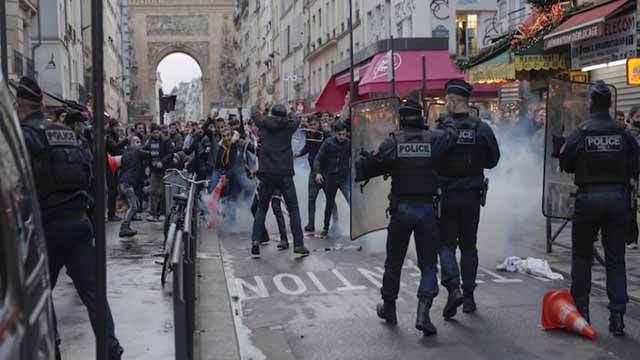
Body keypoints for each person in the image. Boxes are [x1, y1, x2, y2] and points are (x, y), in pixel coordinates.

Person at [16, 77, 124, 359]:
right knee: (93, 294)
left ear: (19, 106)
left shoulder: (24, 136)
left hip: (45, 227)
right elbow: (89, 172)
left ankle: (53, 346)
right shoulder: (64, 133)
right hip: (78, 222)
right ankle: (111, 348)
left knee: (37, 295)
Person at [354, 93, 458, 336]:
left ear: (401, 120)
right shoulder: (434, 139)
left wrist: (364, 158)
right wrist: (446, 120)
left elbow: (371, 166)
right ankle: (423, 312)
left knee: (394, 262)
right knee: (429, 264)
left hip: (401, 211)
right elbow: (451, 137)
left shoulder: (393, 142)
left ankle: (389, 307)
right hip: (426, 211)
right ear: (421, 117)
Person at [555, 81, 639, 336]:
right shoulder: (624, 133)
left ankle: (582, 311)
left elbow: (565, 162)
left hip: (588, 199)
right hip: (617, 200)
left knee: (581, 257)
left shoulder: (581, 132)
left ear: (590, 103)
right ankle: (617, 317)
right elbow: (636, 166)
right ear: (611, 105)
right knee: (615, 259)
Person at [437, 79, 500, 319]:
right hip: (472, 195)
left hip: (447, 195)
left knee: (446, 244)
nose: (445, 105)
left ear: (453, 101)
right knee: (469, 245)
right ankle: (469, 297)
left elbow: (432, 157)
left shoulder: (442, 127)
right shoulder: (481, 128)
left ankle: (454, 288)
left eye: (446, 101)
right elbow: (494, 160)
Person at [250, 104, 309, 257]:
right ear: (284, 116)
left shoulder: (263, 123)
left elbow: (254, 113)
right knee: (293, 209)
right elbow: (296, 117)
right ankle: (299, 244)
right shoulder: (289, 126)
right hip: (285, 173)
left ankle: (255, 241)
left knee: (262, 208)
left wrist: (263, 110)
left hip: (267, 172)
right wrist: (290, 112)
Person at [294, 115, 337, 232]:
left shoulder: (326, 136)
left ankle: (336, 223)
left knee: (330, 198)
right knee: (311, 198)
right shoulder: (309, 134)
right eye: (311, 125)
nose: (313, 127)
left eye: (315, 124)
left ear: (319, 124)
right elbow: (307, 147)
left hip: (326, 172)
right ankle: (311, 223)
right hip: (313, 171)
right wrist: (299, 153)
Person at [313, 121, 351, 237]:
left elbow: (356, 156)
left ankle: (357, 228)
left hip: (344, 178)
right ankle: (326, 228)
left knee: (352, 202)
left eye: (344, 134)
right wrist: (318, 173)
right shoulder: (328, 143)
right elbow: (318, 158)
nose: (342, 137)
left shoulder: (349, 143)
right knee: (329, 204)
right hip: (331, 178)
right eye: (339, 134)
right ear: (335, 133)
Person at [118, 136, 153, 237]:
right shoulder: (137, 152)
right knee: (134, 206)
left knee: (134, 204)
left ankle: (126, 227)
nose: (139, 144)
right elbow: (150, 154)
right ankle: (124, 227)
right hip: (128, 183)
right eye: (137, 142)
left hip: (124, 182)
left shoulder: (125, 153)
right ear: (132, 143)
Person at [144, 123, 175, 222]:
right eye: (154, 133)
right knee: (153, 191)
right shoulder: (149, 141)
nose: (156, 134)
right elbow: (146, 153)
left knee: (163, 192)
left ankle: (162, 213)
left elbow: (170, 153)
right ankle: (154, 213)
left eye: (157, 132)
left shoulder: (166, 140)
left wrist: (162, 162)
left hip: (164, 169)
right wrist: (147, 166)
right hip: (154, 169)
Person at [105, 118, 128, 222]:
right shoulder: (108, 136)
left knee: (113, 190)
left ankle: (112, 213)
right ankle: (111, 214)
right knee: (112, 190)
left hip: (112, 164)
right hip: (108, 165)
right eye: (117, 126)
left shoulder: (112, 135)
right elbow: (114, 147)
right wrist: (126, 140)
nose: (118, 128)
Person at [626, 106, 640, 250]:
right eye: (637, 117)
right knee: (631, 207)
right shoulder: (626, 134)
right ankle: (631, 239)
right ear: (630, 118)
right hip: (632, 176)